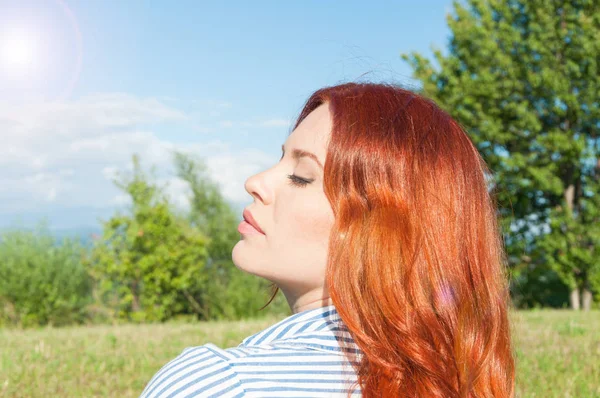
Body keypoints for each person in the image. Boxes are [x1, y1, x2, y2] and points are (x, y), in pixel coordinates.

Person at [140, 82, 516, 397]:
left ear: (383, 230)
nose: (256, 182)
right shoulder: (457, 381)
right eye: (282, 160)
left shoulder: (219, 384)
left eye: (302, 176)